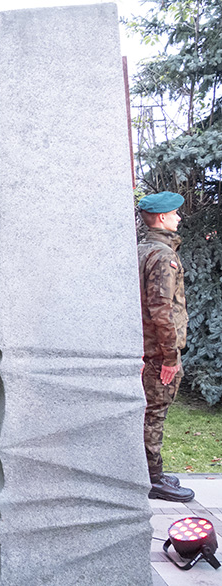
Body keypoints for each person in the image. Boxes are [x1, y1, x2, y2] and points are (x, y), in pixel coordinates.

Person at [137, 191, 195, 502]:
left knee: (148, 413)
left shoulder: (143, 250)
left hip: (147, 349)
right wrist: (171, 356)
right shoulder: (162, 256)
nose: (179, 217)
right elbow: (161, 308)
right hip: (159, 352)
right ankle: (153, 479)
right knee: (154, 415)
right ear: (161, 218)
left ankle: (150, 471)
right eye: (174, 213)